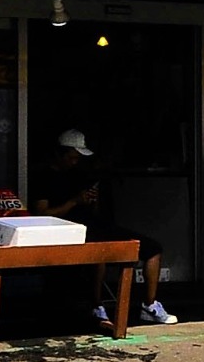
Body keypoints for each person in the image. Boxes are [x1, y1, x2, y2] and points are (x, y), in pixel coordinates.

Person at [32, 130, 176, 327]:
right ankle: (96, 306)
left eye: (78, 159)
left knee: (153, 249)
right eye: (72, 158)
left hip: (96, 225)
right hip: (67, 231)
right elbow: (42, 214)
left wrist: (91, 200)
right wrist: (74, 201)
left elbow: (95, 210)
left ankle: (149, 305)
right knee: (98, 252)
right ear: (59, 154)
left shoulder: (80, 174)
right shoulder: (44, 176)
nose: (75, 162)